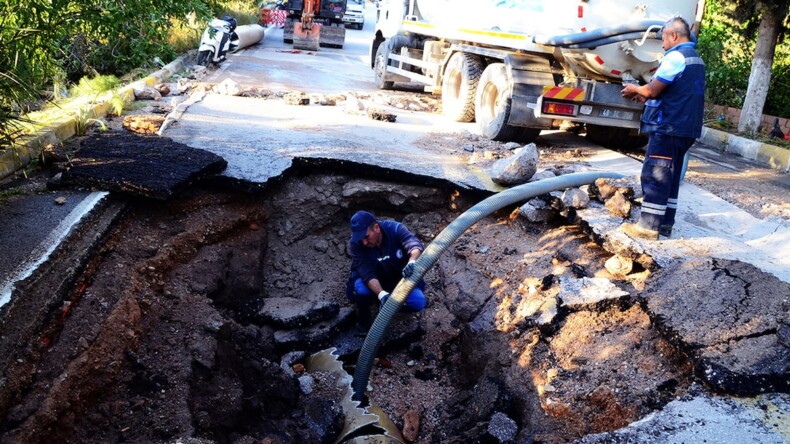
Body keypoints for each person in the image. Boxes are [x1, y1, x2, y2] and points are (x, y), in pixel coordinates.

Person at [620, 16, 705, 240]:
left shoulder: (676, 56)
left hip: (668, 126)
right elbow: (676, 91)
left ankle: (648, 227)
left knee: (656, 173)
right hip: (686, 128)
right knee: (671, 175)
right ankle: (665, 223)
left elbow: (653, 90)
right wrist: (645, 95)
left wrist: (636, 89)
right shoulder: (695, 58)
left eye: (664, 37)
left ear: (674, 36)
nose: (662, 43)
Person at [345, 210, 427, 327]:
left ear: (377, 228)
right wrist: (381, 294)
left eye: (366, 237)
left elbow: (414, 245)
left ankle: (391, 308)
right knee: (360, 289)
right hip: (374, 282)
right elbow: (366, 272)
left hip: (400, 281)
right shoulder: (355, 244)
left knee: (418, 302)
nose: (364, 242)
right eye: (360, 239)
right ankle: (366, 318)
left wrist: (412, 261)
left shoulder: (395, 229)